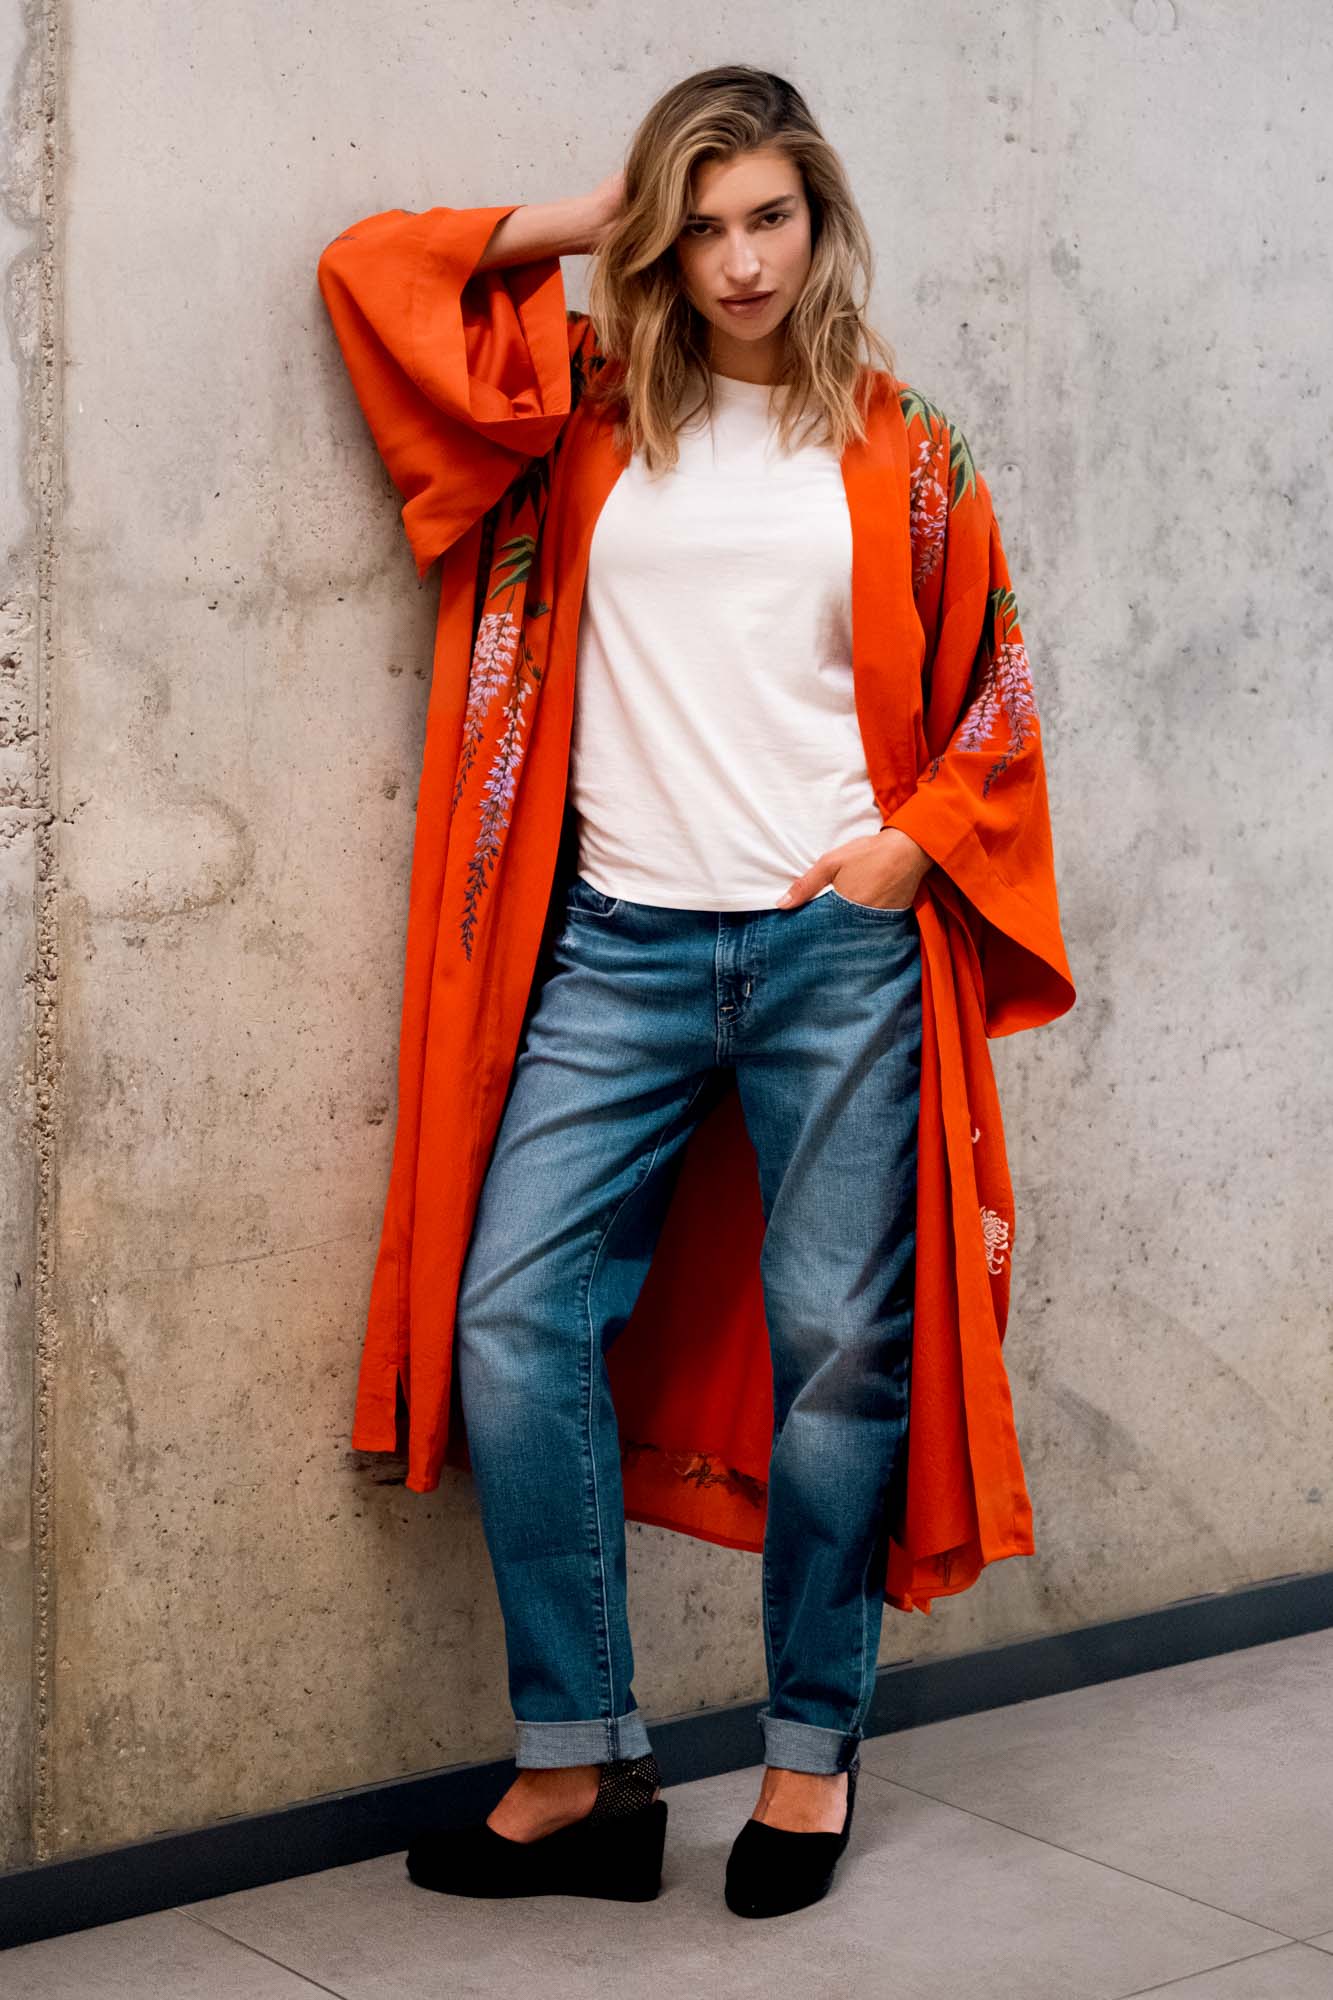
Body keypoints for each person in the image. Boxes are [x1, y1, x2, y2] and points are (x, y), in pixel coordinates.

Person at [317, 63, 1075, 1919]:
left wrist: (909, 842)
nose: (737, 262)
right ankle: (582, 1765)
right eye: (701, 221)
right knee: (514, 1319)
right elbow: (373, 275)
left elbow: (992, 695)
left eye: (768, 217)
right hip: (618, 947)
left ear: (820, 223)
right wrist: (595, 222)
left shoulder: (904, 449)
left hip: (831, 950)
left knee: (836, 1353)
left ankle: (807, 1760)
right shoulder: (578, 420)